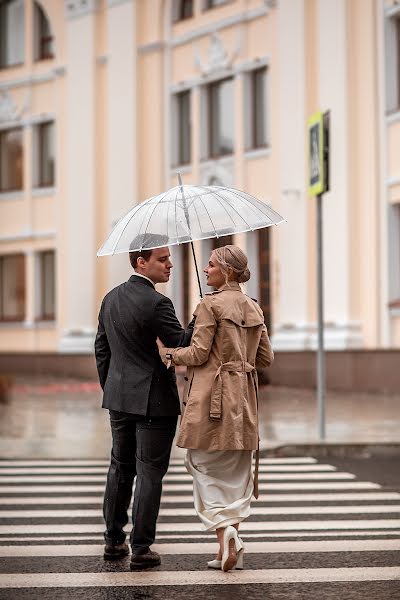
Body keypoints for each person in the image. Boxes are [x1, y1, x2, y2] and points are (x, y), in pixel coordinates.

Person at [158, 244, 273, 572]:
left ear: (228, 271)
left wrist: (167, 354)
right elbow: (265, 358)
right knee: (237, 474)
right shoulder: (254, 307)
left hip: (213, 401)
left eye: (211, 265)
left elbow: (197, 353)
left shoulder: (209, 305)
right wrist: (241, 360)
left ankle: (227, 533)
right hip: (245, 401)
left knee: (202, 466)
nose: (206, 270)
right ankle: (228, 544)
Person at [94, 237, 194, 570]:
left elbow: (102, 351)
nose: (169, 264)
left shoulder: (110, 299)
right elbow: (180, 342)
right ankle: (141, 547)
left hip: (119, 398)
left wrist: (112, 388)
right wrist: (199, 316)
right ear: (141, 262)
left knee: (120, 468)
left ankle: (112, 541)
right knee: (150, 473)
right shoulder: (156, 302)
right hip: (154, 401)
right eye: (163, 259)